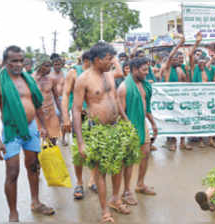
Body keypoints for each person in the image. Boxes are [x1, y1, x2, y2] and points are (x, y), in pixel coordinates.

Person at [0, 46, 54, 222]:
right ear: (4, 62)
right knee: (12, 172)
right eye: (14, 61)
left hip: (31, 127)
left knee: (33, 166)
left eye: (20, 60)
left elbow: (38, 104)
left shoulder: (29, 80)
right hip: (12, 131)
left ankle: (36, 202)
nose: (18, 64)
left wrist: (44, 126)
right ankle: (13, 212)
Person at [72, 42, 130, 223]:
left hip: (115, 127)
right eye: (108, 59)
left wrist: (125, 120)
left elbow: (115, 99)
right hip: (96, 130)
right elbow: (75, 109)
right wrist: (81, 142)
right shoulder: (83, 79)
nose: (111, 62)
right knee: (100, 172)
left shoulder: (109, 75)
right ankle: (105, 211)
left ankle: (116, 200)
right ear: (96, 59)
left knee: (118, 166)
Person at [117, 57, 158, 207]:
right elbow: (121, 112)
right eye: (144, 70)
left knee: (145, 154)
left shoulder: (145, 85)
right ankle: (126, 191)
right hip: (129, 127)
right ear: (134, 70)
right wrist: (130, 129)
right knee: (128, 161)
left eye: (148, 69)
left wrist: (153, 123)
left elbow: (146, 108)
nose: (147, 73)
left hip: (142, 124)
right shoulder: (124, 87)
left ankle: (140, 184)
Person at [61, 51, 98, 199]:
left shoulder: (97, 74)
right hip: (79, 118)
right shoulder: (73, 73)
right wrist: (65, 117)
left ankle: (93, 180)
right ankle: (79, 182)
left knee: (96, 149)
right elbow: (65, 94)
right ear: (87, 61)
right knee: (78, 153)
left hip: (95, 118)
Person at [159, 34, 190, 151]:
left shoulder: (181, 70)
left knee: (183, 120)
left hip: (180, 100)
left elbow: (186, 84)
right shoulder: (167, 68)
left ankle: (182, 142)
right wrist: (180, 43)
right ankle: (172, 142)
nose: (177, 61)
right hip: (168, 100)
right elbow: (171, 55)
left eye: (178, 59)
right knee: (170, 121)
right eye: (175, 59)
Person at [32, 59, 62, 143]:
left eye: (50, 66)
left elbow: (56, 98)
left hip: (50, 113)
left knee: (53, 139)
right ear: (40, 66)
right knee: (37, 142)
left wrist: (62, 113)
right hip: (37, 114)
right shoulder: (31, 79)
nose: (50, 68)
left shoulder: (52, 79)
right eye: (47, 66)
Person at [49, 55, 66, 144]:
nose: (57, 66)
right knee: (55, 120)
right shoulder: (50, 75)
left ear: (62, 65)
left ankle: (63, 138)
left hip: (64, 98)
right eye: (55, 64)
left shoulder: (65, 73)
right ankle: (54, 138)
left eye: (59, 64)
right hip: (53, 100)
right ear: (53, 65)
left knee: (64, 119)